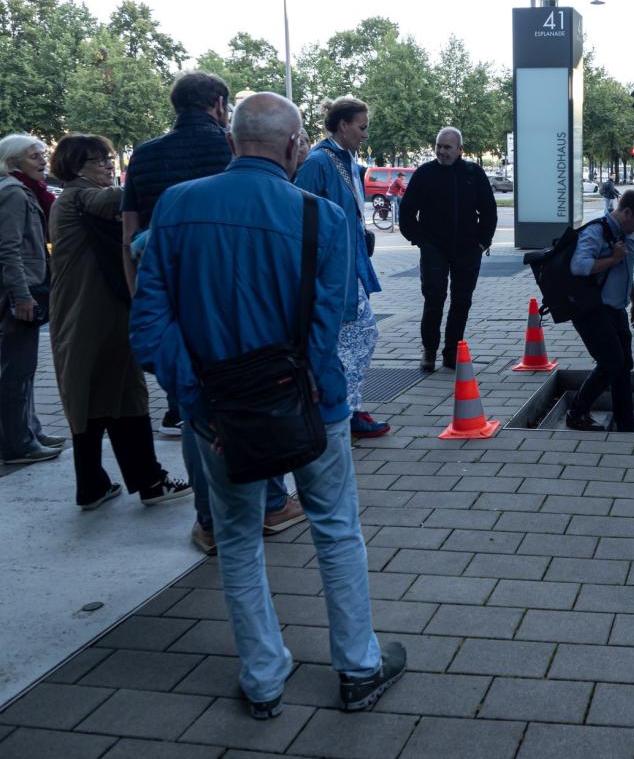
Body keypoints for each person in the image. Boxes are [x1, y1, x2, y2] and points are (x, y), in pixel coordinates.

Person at [130, 91, 406, 718]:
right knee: (336, 531)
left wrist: (204, 401)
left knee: (236, 537)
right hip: (314, 408)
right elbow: (326, 323)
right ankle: (359, 668)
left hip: (217, 415)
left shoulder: (175, 207)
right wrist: (304, 391)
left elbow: (149, 328)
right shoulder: (321, 217)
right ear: (293, 145)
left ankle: (262, 678)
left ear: (232, 143)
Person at [123, 72, 303, 553]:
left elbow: (132, 237)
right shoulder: (235, 154)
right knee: (259, 403)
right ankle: (269, 502)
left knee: (196, 415)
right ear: (221, 109)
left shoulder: (144, 156)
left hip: (182, 314)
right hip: (249, 309)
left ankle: (208, 520)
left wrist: (152, 321)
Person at [48, 135, 190, 508]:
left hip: (84, 315)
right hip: (99, 316)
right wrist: (154, 171)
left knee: (91, 397)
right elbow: (114, 199)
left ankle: (96, 484)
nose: (110, 167)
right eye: (100, 161)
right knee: (124, 393)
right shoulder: (80, 196)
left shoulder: (69, 200)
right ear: (77, 166)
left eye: (109, 160)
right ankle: (149, 481)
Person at [295, 97, 390, 438]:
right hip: (333, 270)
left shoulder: (342, 159)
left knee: (355, 337)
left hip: (348, 265)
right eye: (362, 127)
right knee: (360, 335)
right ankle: (343, 411)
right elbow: (299, 213)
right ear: (343, 125)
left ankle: (345, 408)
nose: (365, 134)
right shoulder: (321, 161)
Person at [397, 127, 497, 372]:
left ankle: (452, 351)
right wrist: (418, 239)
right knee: (434, 298)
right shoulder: (425, 173)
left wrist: (483, 242)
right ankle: (429, 349)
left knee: (461, 301)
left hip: (468, 248)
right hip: (434, 247)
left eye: (447, 147)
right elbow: (407, 212)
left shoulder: (473, 173)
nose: (441, 151)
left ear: (460, 150)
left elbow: (489, 211)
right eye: (438, 146)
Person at [564, 189, 634, 433]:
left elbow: (626, 270)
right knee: (611, 363)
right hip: (592, 311)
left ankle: (626, 423)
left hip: (617, 310)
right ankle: (577, 412)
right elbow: (579, 267)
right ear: (626, 213)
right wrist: (612, 258)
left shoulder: (627, 235)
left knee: (624, 366)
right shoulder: (596, 232)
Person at [0, 136, 60, 465]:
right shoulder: (12, 191)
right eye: (34, 156)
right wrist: (21, 296)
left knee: (24, 368)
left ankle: (30, 431)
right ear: (13, 162)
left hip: (27, 286)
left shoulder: (25, 190)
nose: (42, 161)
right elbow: (8, 248)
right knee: (16, 370)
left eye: (42, 155)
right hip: (19, 292)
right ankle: (17, 443)